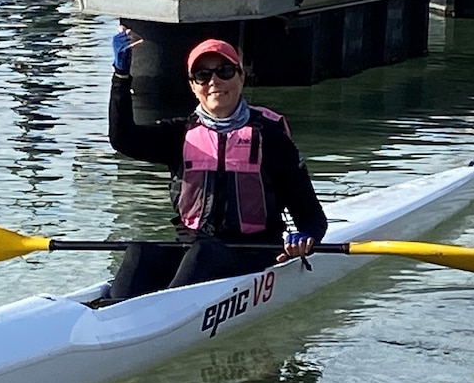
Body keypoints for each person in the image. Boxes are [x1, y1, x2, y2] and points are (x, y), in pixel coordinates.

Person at [107, 28, 328, 299]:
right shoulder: (180, 134)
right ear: (192, 85)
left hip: (253, 256)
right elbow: (123, 139)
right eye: (203, 75)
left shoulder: (271, 138)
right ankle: (110, 313)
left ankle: (164, 318)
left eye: (224, 71)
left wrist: (305, 239)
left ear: (241, 76)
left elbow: (312, 218)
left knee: (205, 253)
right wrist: (120, 77)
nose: (214, 81)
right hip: (193, 253)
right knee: (140, 251)